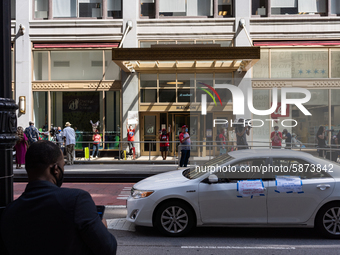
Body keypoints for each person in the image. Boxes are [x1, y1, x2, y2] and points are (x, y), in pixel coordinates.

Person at [0, 141, 117, 255]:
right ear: (55, 169)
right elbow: (108, 248)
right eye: (63, 166)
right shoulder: (77, 200)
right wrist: (102, 226)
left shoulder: (9, 211)